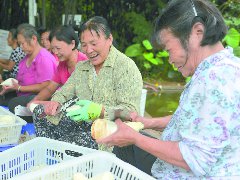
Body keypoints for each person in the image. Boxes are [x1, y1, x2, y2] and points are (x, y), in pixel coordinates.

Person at [97, 0, 240, 179]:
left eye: (169, 49)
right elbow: (197, 119)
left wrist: (136, 138)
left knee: (128, 142)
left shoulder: (215, 79)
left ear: (198, 32)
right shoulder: (224, 67)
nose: (170, 59)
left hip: (185, 173)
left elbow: (195, 159)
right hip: (172, 165)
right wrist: (148, 122)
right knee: (128, 142)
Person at [32, 16, 143, 149]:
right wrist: (55, 101)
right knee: (40, 112)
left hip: (110, 128)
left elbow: (131, 113)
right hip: (82, 123)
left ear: (109, 39)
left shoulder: (125, 67)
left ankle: (65, 155)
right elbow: (64, 92)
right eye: (84, 45)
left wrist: (99, 111)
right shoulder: (82, 67)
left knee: (75, 141)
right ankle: (50, 153)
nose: (89, 50)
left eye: (94, 44)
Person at [0, 23, 57, 122]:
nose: (21, 47)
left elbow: (47, 86)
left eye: (23, 43)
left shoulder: (44, 58)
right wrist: (10, 87)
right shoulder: (25, 59)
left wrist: (19, 88)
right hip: (23, 96)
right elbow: (21, 82)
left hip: (40, 99)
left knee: (13, 103)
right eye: (20, 44)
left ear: (34, 39)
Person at [28, 25, 87, 102]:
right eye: (53, 49)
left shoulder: (85, 63)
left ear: (72, 44)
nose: (55, 52)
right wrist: (34, 102)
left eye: (58, 48)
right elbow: (49, 89)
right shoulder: (61, 66)